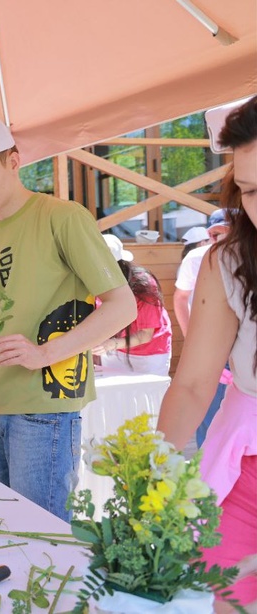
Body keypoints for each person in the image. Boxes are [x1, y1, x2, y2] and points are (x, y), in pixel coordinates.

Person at [0, 117, 136, 522]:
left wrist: (43, 354)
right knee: (1, 533)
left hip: (45, 407)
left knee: (42, 540)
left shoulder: (63, 217)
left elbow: (123, 306)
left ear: (15, 161)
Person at [156, 97, 257, 611]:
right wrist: (153, 481)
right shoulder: (230, 260)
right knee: (230, 601)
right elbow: (195, 383)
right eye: (251, 190)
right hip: (247, 469)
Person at [175, 195, 235, 446]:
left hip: (241, 350)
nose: (219, 239)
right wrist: (192, 341)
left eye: (226, 233)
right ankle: (203, 475)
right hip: (208, 349)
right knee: (208, 412)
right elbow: (180, 299)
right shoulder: (196, 258)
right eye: (214, 234)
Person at [93, 235, 173, 376]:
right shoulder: (92, 282)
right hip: (113, 349)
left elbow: (145, 335)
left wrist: (111, 344)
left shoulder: (144, 286)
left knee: (150, 396)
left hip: (150, 353)